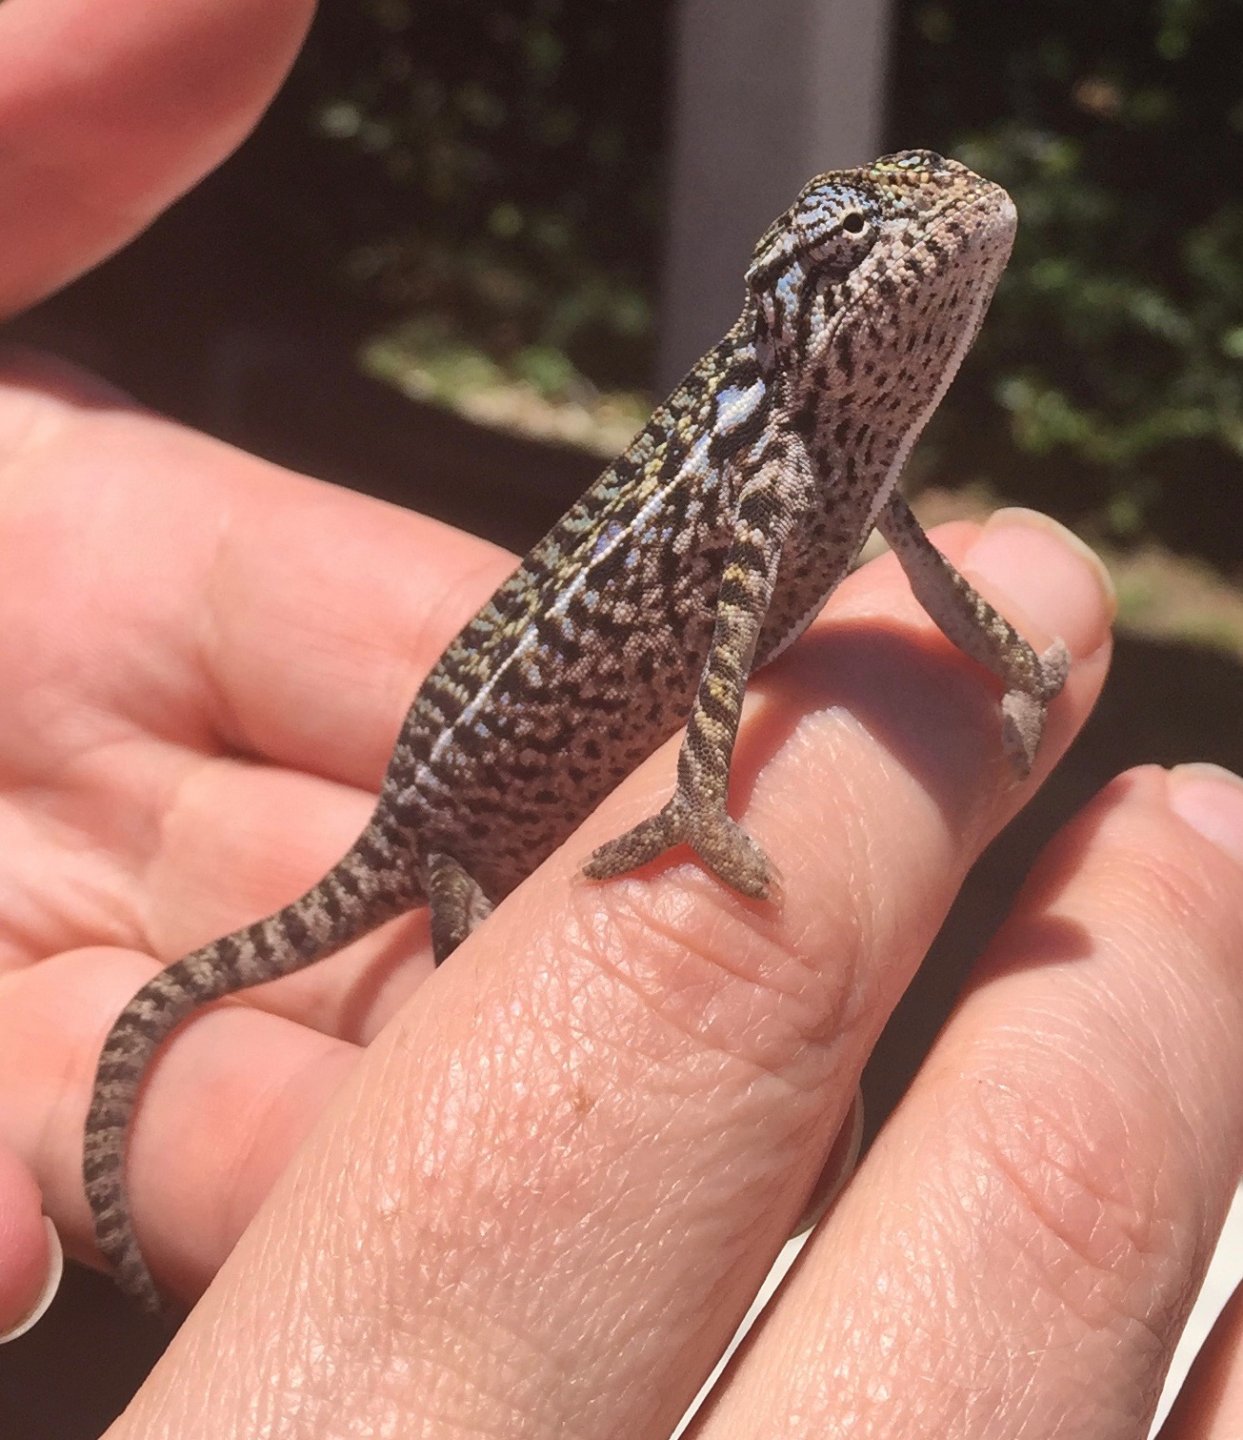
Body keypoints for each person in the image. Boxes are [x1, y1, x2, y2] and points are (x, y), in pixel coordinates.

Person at [1, 1, 1241, 1434]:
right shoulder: (768, 462)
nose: (922, 248)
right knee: (476, 1056)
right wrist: (703, 803)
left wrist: (1016, 658)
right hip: (451, 826)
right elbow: (728, 642)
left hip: (472, 774)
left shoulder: (831, 450)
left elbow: (916, 566)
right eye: (861, 248)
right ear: (800, 303)